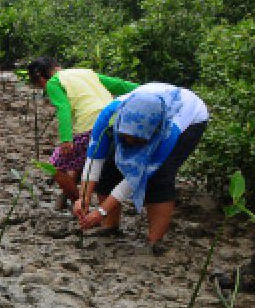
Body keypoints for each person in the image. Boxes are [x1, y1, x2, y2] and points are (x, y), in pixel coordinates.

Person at [74, 84, 209, 252]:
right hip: (144, 108)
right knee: (109, 166)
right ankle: (109, 227)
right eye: (126, 138)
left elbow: (136, 177)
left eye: (138, 142)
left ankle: (154, 241)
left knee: (160, 177)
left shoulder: (169, 133)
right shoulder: (109, 116)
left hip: (192, 119)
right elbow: (94, 158)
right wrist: (83, 197)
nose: (131, 145)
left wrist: (101, 211)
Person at [26, 57, 139, 206]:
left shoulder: (53, 83)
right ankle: (71, 198)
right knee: (84, 161)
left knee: (56, 165)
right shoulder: (86, 73)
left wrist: (66, 139)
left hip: (92, 126)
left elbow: (63, 108)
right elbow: (120, 85)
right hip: (117, 122)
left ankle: (79, 205)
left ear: (40, 76)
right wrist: (150, 89)